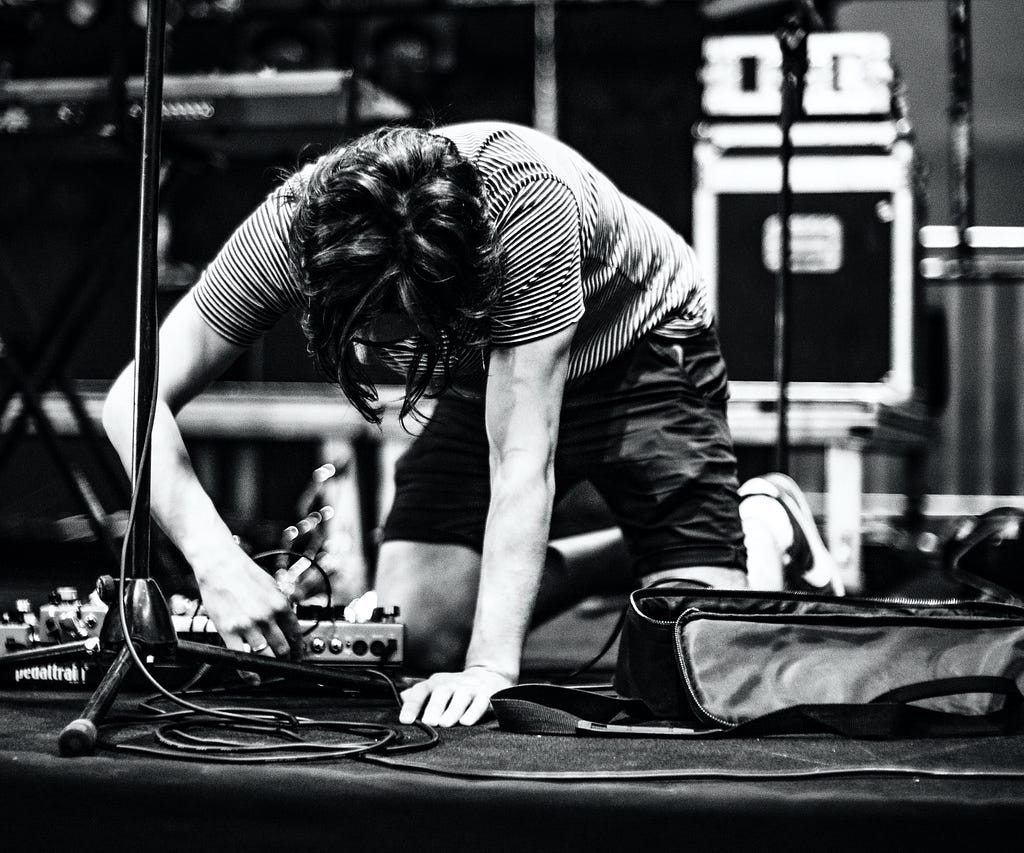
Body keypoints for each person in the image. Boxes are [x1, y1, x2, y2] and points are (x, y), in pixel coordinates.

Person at [102, 121, 841, 728]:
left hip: (642, 349)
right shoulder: (295, 228)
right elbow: (133, 396)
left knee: (696, 652)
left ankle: (758, 520)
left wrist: (491, 670)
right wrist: (215, 557)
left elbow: (523, 458)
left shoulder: (527, 210)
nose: (379, 346)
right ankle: (628, 552)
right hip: (486, 358)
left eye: (398, 325)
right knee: (420, 632)